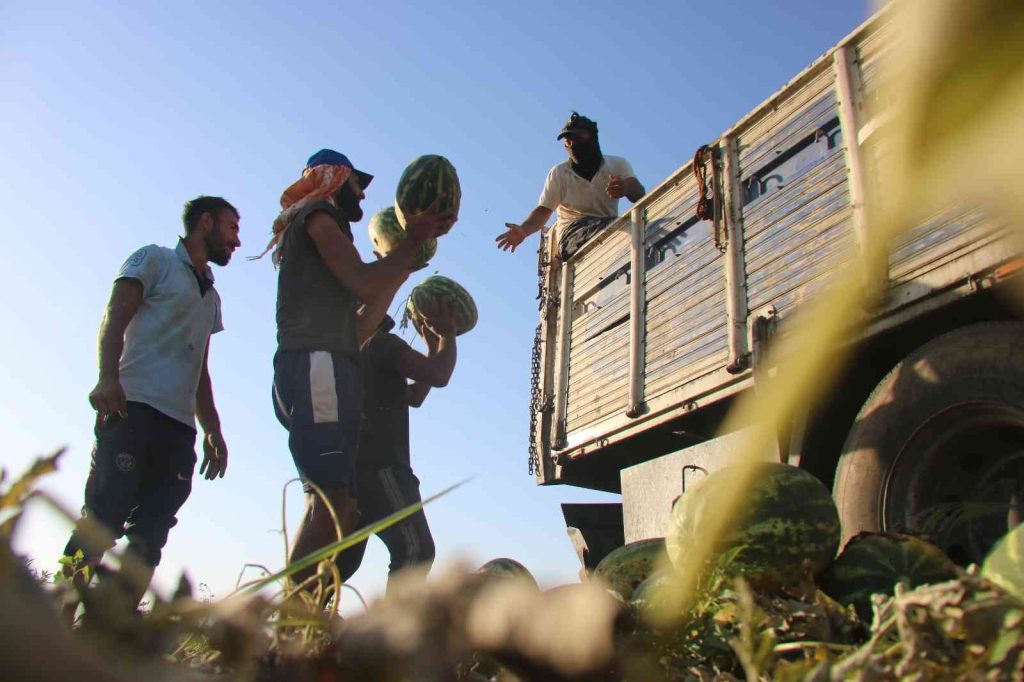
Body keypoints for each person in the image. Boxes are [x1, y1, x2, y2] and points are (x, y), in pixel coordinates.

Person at [265, 149, 455, 589]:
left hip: (328, 365)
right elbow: (365, 284)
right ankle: (290, 623)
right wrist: (411, 242)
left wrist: (404, 265)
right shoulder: (317, 216)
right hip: (315, 366)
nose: (364, 194)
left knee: (344, 509)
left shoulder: (330, 230)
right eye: (357, 184)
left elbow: (361, 327)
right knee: (331, 504)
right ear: (333, 179)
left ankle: (303, 622)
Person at [61, 196, 241, 621]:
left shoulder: (211, 297)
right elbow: (115, 313)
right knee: (103, 518)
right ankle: (58, 611)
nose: (237, 239)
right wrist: (108, 377)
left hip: (179, 430)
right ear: (205, 222)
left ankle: (106, 626)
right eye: (232, 228)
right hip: (133, 408)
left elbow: (201, 370)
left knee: (151, 534)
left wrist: (212, 429)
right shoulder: (155, 260)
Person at [335, 301, 459, 592]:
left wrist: (431, 350)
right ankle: (392, 633)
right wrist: (448, 336)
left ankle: (297, 625)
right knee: (416, 551)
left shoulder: (356, 352)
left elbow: (414, 395)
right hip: (382, 468)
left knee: (340, 565)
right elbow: (439, 375)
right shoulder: (381, 345)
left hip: (355, 472)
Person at [496, 112, 645, 261]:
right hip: (572, 233)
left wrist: (625, 188)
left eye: (578, 137)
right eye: (568, 141)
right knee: (619, 227)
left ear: (592, 137)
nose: (573, 144)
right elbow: (544, 210)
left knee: (637, 226)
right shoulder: (560, 173)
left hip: (609, 227)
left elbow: (638, 193)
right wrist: (524, 230)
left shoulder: (617, 165)